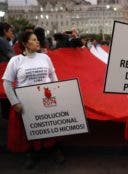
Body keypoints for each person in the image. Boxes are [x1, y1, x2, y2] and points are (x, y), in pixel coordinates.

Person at [2, 31, 64, 169]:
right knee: (28, 131)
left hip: (46, 100)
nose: (38, 42)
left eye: (37, 40)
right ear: (25, 43)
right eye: (34, 40)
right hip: (27, 103)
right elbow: (6, 83)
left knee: (50, 128)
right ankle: (31, 154)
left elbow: (53, 77)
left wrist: (57, 94)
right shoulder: (15, 61)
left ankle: (54, 150)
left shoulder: (45, 58)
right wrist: (15, 102)